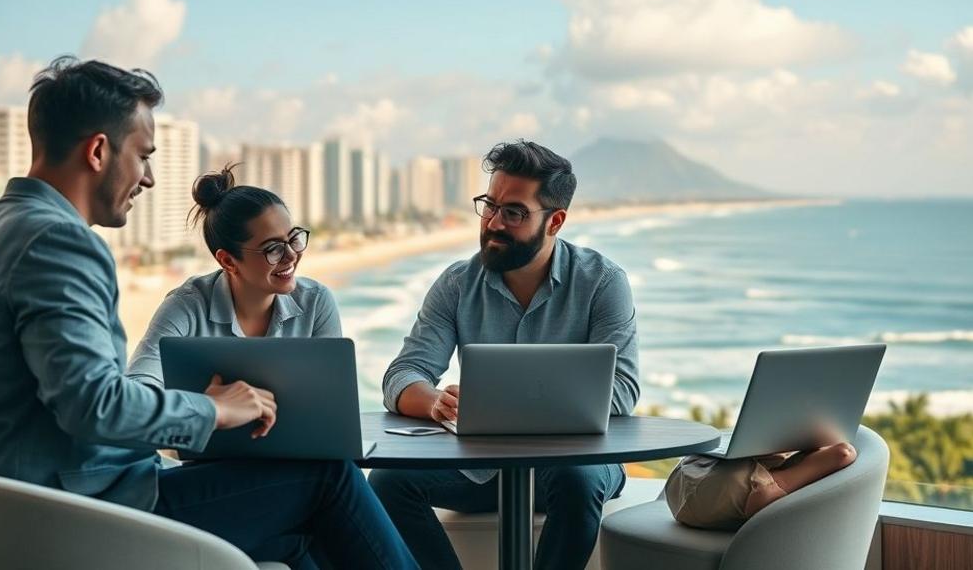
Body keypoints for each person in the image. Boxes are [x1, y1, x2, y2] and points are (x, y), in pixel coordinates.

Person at [0, 56, 416, 570]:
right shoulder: (59, 240)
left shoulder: (4, 224)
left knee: (299, 542)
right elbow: (93, 405)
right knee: (328, 479)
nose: (148, 178)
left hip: (42, 503)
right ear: (98, 151)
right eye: (143, 156)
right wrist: (214, 408)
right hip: (88, 510)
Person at [370, 140, 641, 570]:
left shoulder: (603, 282)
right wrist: (435, 402)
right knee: (387, 481)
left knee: (577, 478)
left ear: (554, 221)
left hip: (574, 465)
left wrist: (510, 408)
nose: (494, 223)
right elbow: (403, 374)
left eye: (513, 212)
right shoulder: (457, 283)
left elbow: (622, 390)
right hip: (481, 470)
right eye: (489, 206)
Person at [129, 164, 341, 388]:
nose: (292, 256)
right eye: (273, 248)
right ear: (228, 261)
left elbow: (334, 392)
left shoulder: (316, 302)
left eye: (293, 238)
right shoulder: (187, 307)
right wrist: (211, 404)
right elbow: (137, 386)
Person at [665, 442, 858, 531]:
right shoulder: (770, 480)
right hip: (709, 490)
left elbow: (843, 453)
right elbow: (844, 452)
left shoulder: (754, 480)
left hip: (679, 485)